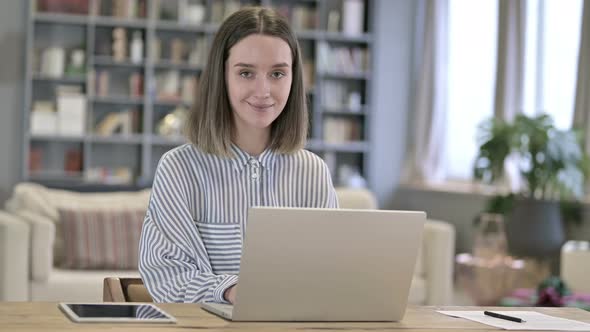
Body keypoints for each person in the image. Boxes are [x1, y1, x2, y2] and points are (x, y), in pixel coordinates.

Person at [139, 6, 339, 304]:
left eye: (277, 73)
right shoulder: (179, 169)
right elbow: (167, 276)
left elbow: (334, 272)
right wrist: (232, 290)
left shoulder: (313, 172)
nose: (263, 90)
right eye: (246, 72)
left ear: (293, 79)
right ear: (222, 77)